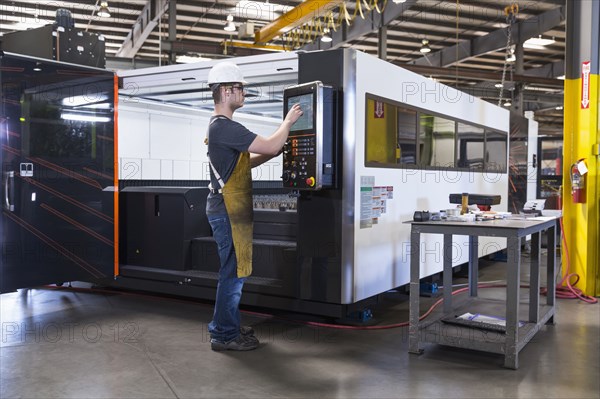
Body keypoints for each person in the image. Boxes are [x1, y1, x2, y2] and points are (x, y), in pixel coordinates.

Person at [204, 61, 303, 351]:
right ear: (225, 91)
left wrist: (273, 152)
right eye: (240, 89)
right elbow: (270, 145)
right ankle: (223, 334)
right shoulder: (225, 127)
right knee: (232, 274)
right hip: (227, 211)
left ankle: (227, 325)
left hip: (227, 209)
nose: (243, 93)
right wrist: (287, 122)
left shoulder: (218, 127)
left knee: (235, 271)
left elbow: (247, 161)